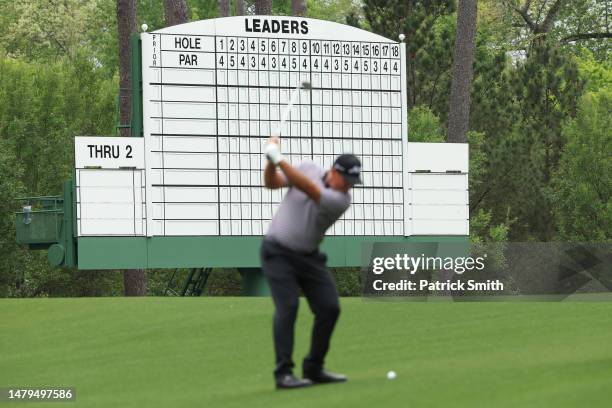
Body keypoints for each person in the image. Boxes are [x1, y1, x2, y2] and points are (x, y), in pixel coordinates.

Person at [260, 136, 362, 389]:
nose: (349, 187)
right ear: (335, 172)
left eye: (353, 183)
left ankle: (314, 368)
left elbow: (310, 189)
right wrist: (271, 162)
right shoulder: (307, 168)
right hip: (278, 252)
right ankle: (284, 373)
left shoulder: (340, 201)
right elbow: (272, 183)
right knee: (288, 307)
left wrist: (278, 157)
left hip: (309, 258)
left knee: (329, 308)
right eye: (347, 181)